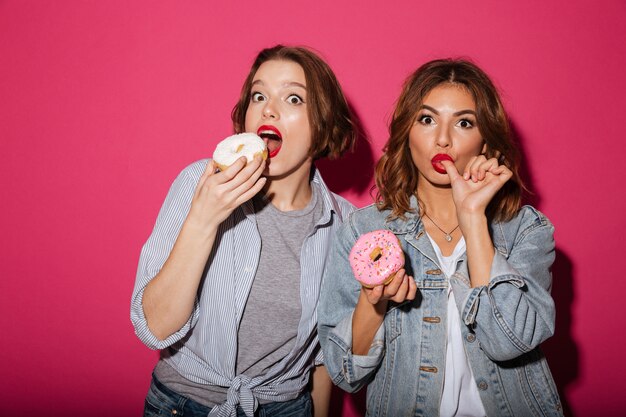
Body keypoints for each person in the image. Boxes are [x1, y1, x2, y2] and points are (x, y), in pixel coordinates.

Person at [318, 59, 563, 416]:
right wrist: (375, 303)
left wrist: (473, 218)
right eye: (427, 119)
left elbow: (511, 342)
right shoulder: (364, 231)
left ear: (486, 141)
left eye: (464, 123)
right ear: (407, 131)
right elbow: (344, 373)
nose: (443, 139)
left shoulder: (526, 230)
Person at [131, 45, 357, 417]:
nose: (268, 109)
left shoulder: (345, 224)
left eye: (293, 98)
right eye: (259, 95)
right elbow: (155, 328)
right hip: (183, 405)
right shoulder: (200, 183)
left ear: (323, 125)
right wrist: (203, 220)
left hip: (287, 407)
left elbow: (322, 357)